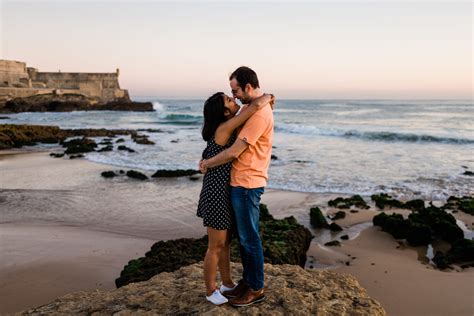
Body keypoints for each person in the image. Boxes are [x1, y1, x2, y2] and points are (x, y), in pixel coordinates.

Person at [199, 66, 274, 307]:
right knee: (230, 241)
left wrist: (207, 163)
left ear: (248, 87)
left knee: (246, 239)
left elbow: (234, 152)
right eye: (231, 97)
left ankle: (254, 287)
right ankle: (237, 284)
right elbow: (250, 107)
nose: (235, 98)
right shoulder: (238, 117)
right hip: (226, 188)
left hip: (246, 184)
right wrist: (267, 97)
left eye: (235, 91)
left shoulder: (257, 113)